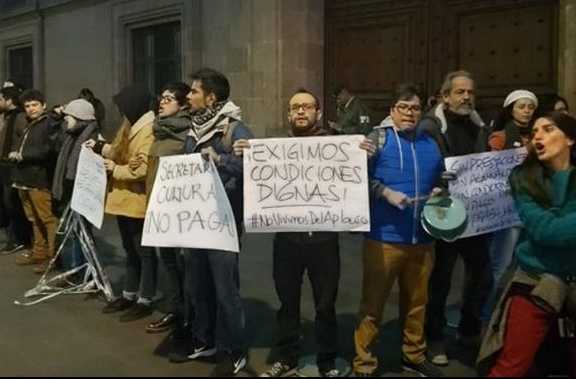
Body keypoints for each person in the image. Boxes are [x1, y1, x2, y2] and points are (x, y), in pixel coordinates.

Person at [477, 111, 576, 377]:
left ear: (570, 139)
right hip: (537, 285)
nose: (537, 136)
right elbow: (549, 232)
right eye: (534, 132)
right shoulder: (523, 179)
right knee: (512, 366)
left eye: (548, 129)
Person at [234, 89, 352, 378]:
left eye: (307, 107)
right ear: (288, 114)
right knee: (287, 303)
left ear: (318, 113)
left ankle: (326, 361)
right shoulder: (274, 149)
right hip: (287, 240)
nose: (301, 111)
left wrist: (366, 155)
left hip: (323, 240)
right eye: (295, 107)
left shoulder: (337, 146)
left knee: (325, 305)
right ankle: (287, 357)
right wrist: (245, 156)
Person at [352, 84, 445, 378]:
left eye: (415, 108)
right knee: (373, 305)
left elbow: (440, 177)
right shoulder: (377, 139)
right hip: (384, 239)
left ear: (422, 112)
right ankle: (364, 363)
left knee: (417, 304)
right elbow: (355, 177)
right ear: (392, 111)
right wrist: (384, 192)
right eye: (403, 107)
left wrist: (441, 188)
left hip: (423, 239)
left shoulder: (431, 144)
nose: (409, 113)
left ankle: (413, 355)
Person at [170, 69, 252, 377]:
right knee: (197, 285)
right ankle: (204, 339)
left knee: (225, 290)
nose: (188, 96)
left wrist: (222, 160)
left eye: (194, 91)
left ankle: (233, 349)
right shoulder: (194, 129)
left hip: (223, 224)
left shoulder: (236, 130)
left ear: (211, 98)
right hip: (196, 222)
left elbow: (252, 167)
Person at [420, 71, 492, 366]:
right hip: (445, 213)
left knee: (482, 275)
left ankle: (469, 330)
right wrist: (439, 179)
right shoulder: (431, 127)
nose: (466, 97)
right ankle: (434, 336)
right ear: (446, 96)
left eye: (470, 92)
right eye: (460, 92)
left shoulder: (479, 126)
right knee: (441, 279)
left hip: (476, 215)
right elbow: (423, 165)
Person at [88, 86, 157, 322]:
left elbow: (142, 168)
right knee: (129, 248)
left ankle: (145, 298)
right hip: (124, 199)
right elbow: (120, 151)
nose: (121, 113)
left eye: (123, 108)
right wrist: (99, 147)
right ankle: (129, 293)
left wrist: (116, 169)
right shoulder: (131, 126)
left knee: (143, 251)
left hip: (138, 200)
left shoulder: (147, 130)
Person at [138, 83, 193, 336]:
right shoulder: (159, 131)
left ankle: (190, 315)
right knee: (169, 263)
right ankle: (176, 309)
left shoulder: (187, 134)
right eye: (162, 97)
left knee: (184, 266)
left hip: (179, 211)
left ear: (183, 105)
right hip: (158, 209)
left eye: (169, 99)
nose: (162, 102)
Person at [485, 90, 538, 314]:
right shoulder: (500, 137)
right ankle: (486, 310)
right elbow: (493, 169)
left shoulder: (538, 136)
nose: (526, 111)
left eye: (530, 107)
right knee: (501, 262)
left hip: (533, 206)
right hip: (508, 208)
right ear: (511, 110)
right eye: (521, 107)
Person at [10, 90, 62, 273]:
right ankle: (39, 251)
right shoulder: (31, 123)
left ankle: (53, 256)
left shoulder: (48, 123)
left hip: (40, 178)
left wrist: (23, 156)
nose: (31, 109)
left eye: (34, 105)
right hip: (25, 178)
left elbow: (49, 150)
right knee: (33, 218)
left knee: (48, 219)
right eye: (27, 106)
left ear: (43, 105)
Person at [51, 98, 100, 271]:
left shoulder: (91, 137)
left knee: (83, 234)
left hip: (81, 193)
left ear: (79, 117)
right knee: (74, 233)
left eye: (68, 115)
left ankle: (86, 270)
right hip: (70, 191)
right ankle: (77, 268)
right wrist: (55, 117)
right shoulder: (72, 135)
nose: (65, 118)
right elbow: (53, 140)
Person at [0, 86, 31, 255]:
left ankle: (18, 238)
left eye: (1, 99)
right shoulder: (11, 117)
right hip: (7, 166)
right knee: (10, 203)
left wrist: (14, 154)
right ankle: (16, 236)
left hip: (14, 168)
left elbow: (24, 140)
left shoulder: (20, 118)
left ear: (9, 100)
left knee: (13, 204)